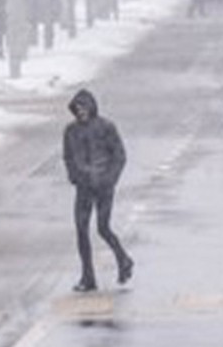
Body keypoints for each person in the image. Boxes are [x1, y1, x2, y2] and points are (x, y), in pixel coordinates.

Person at [63, 87, 134, 291]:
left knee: (103, 228)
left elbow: (119, 156)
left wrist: (110, 179)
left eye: (84, 107)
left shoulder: (106, 127)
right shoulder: (70, 131)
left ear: (92, 107)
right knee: (81, 230)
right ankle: (88, 276)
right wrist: (74, 176)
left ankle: (123, 259)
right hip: (83, 188)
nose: (81, 112)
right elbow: (68, 157)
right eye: (78, 109)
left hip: (104, 187)